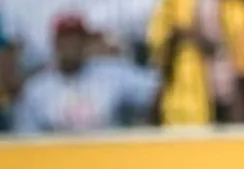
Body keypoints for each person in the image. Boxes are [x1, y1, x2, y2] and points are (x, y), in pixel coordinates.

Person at [12, 14, 157, 133]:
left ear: (85, 43)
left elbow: (155, 89)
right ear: (55, 44)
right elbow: (27, 138)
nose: (71, 45)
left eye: (77, 39)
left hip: (108, 157)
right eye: (66, 39)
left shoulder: (112, 74)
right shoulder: (37, 89)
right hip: (59, 161)